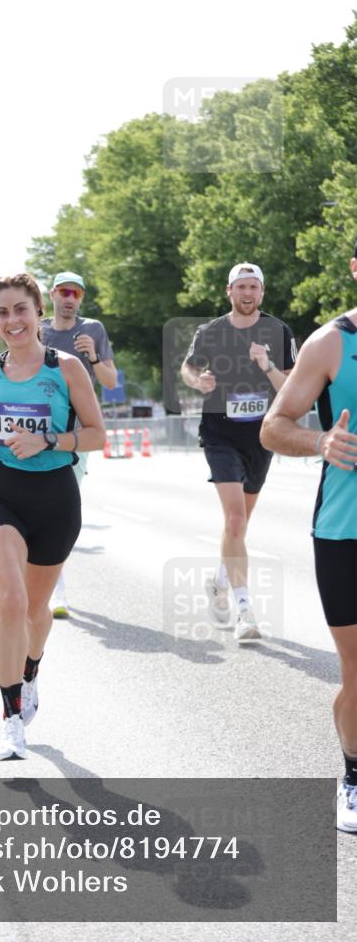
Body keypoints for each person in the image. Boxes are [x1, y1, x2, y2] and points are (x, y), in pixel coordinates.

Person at [0, 273, 106, 760]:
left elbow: (97, 434)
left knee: (38, 613)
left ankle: (31, 670)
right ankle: (10, 717)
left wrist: (49, 440)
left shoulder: (66, 369)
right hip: (2, 492)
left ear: (38, 312)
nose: (11, 321)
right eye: (1, 312)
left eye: (20, 310)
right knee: (12, 601)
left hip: (56, 497)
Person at [261, 241, 357, 833]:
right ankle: (353, 775)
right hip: (345, 531)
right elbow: (274, 426)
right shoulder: (330, 343)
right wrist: (320, 443)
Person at [181, 262, 297, 641]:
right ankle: (245, 608)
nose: (248, 294)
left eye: (254, 287)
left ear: (262, 292)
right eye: (241, 287)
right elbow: (188, 368)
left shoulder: (278, 331)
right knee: (234, 520)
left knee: (240, 524)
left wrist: (267, 366)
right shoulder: (210, 332)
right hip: (219, 433)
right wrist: (199, 381)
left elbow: (288, 388)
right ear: (229, 291)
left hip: (261, 437)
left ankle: (218, 581)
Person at [40, 272, 118, 617]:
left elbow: (111, 381)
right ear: (52, 294)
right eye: (64, 292)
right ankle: (49, 584)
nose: (70, 298)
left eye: (76, 293)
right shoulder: (38, 330)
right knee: (39, 503)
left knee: (61, 504)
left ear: (81, 298)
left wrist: (95, 358)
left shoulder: (93, 330)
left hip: (79, 429)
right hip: (40, 426)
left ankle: (53, 582)